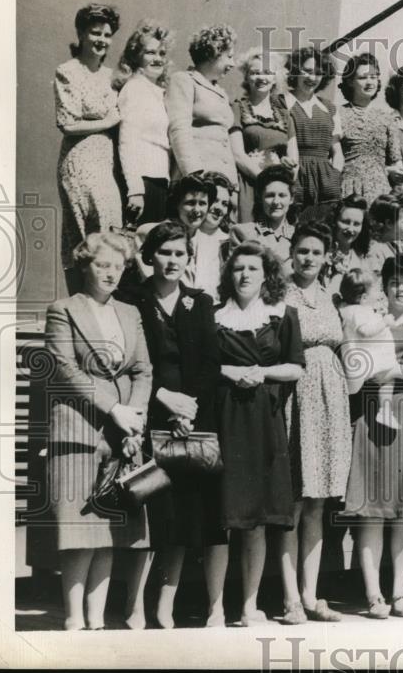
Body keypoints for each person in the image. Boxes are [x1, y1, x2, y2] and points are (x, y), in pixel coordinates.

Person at [121, 221, 227, 628]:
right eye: (165, 252)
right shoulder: (133, 301)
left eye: (180, 253)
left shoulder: (199, 303)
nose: (172, 260)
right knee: (151, 513)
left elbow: (209, 364)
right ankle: (133, 605)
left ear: (189, 259)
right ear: (151, 256)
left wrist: (188, 412)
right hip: (147, 417)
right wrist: (163, 398)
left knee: (185, 515)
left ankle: (165, 606)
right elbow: (133, 361)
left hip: (192, 424)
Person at [44, 231, 150, 630]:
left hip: (123, 433)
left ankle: (97, 618)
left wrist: (135, 416)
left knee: (110, 527)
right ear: (84, 265)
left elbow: (143, 369)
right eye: (102, 265)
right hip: (78, 427)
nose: (110, 273)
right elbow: (65, 369)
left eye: (118, 266)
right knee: (77, 526)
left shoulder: (129, 313)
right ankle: (73, 618)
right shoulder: (63, 309)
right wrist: (115, 408)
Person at [342, 254, 403, 619]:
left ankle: (401, 593)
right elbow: (352, 361)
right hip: (372, 416)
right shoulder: (363, 318)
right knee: (373, 510)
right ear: (384, 286)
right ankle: (373, 594)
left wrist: (391, 369)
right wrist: (379, 371)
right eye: (395, 281)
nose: (401, 287)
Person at [215, 241, 304, 625]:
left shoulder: (283, 316)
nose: (245, 275)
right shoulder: (215, 315)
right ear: (229, 275)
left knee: (256, 518)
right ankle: (215, 607)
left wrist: (261, 372)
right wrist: (229, 371)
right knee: (223, 513)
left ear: (266, 275)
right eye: (238, 269)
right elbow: (204, 363)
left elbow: (296, 367)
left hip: (266, 421)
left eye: (253, 268)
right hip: (225, 419)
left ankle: (249, 605)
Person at [278, 223, 351, 624]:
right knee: (294, 499)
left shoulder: (328, 296)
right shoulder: (280, 294)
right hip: (295, 394)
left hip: (330, 396)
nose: (308, 258)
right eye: (302, 251)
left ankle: (311, 594)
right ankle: (290, 598)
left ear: (325, 258)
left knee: (318, 501)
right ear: (292, 252)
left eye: (316, 252)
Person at [54, 3, 123, 291]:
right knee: (85, 234)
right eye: (95, 33)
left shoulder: (112, 77)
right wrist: (108, 121)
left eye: (107, 35)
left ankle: (103, 302)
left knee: (110, 229)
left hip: (105, 160)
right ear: (81, 34)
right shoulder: (68, 71)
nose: (101, 40)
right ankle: (82, 301)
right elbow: (67, 124)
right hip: (79, 160)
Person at [113, 19, 174, 226]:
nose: (158, 59)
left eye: (162, 54)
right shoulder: (134, 89)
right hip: (142, 183)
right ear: (136, 56)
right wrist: (135, 189)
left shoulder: (159, 93)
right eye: (150, 53)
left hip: (160, 181)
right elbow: (127, 142)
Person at [166, 25, 239, 191]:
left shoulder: (220, 92)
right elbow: (179, 128)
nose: (232, 64)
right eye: (229, 56)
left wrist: (233, 185)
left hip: (223, 181)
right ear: (213, 53)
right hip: (198, 180)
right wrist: (194, 174)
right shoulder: (184, 80)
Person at [229, 48, 296, 223]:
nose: (261, 78)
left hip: (278, 191)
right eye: (255, 72)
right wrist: (264, 181)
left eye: (267, 72)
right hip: (249, 184)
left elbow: (294, 159)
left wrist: (287, 177)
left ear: (275, 78)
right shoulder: (237, 108)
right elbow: (237, 155)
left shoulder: (285, 115)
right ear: (246, 77)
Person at [286, 45, 344, 220]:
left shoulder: (328, 107)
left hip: (326, 180)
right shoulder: (281, 102)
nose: (312, 78)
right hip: (294, 176)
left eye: (318, 73)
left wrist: (334, 175)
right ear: (295, 71)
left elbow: (337, 150)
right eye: (307, 71)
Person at [338, 269, 400, 430]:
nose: (380, 293)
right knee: (388, 378)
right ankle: (385, 410)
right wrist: (385, 322)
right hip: (371, 359)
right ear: (364, 298)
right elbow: (366, 331)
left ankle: (384, 411)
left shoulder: (349, 309)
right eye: (378, 289)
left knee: (357, 391)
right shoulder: (358, 311)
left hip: (362, 360)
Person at [338, 52, 391, 203]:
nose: (369, 82)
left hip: (380, 190)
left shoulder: (387, 117)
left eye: (373, 77)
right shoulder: (337, 114)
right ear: (350, 81)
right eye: (362, 77)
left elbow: (396, 161)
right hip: (350, 189)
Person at [229, 165, 296, 275]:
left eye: (282, 195)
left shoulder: (298, 236)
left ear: (291, 199)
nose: (276, 201)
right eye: (270, 195)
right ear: (260, 198)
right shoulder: (243, 233)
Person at [320, 195, 370, 296]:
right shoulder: (320, 252)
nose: (351, 230)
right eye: (345, 222)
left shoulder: (363, 260)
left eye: (356, 224)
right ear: (334, 221)